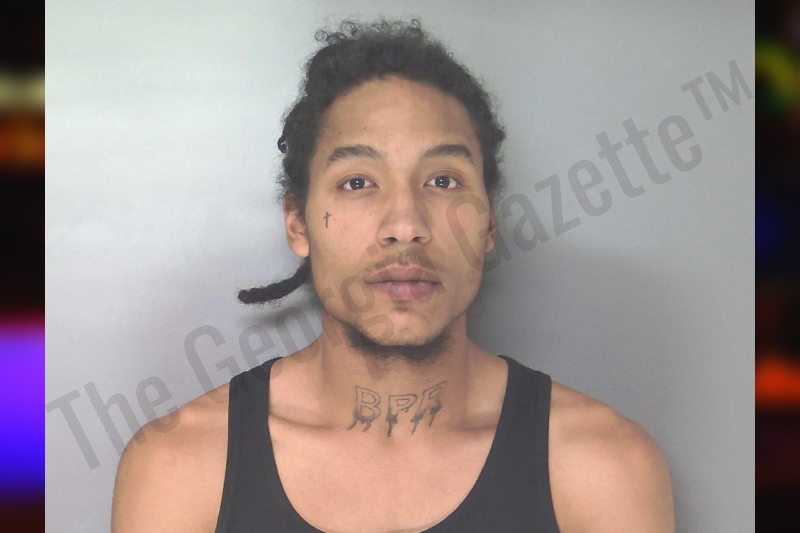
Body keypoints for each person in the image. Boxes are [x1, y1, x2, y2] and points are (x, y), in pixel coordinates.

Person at [111, 19, 675, 533]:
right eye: (357, 182)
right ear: (298, 222)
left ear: (488, 223)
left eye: (443, 181)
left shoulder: (604, 468)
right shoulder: (179, 468)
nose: (405, 226)